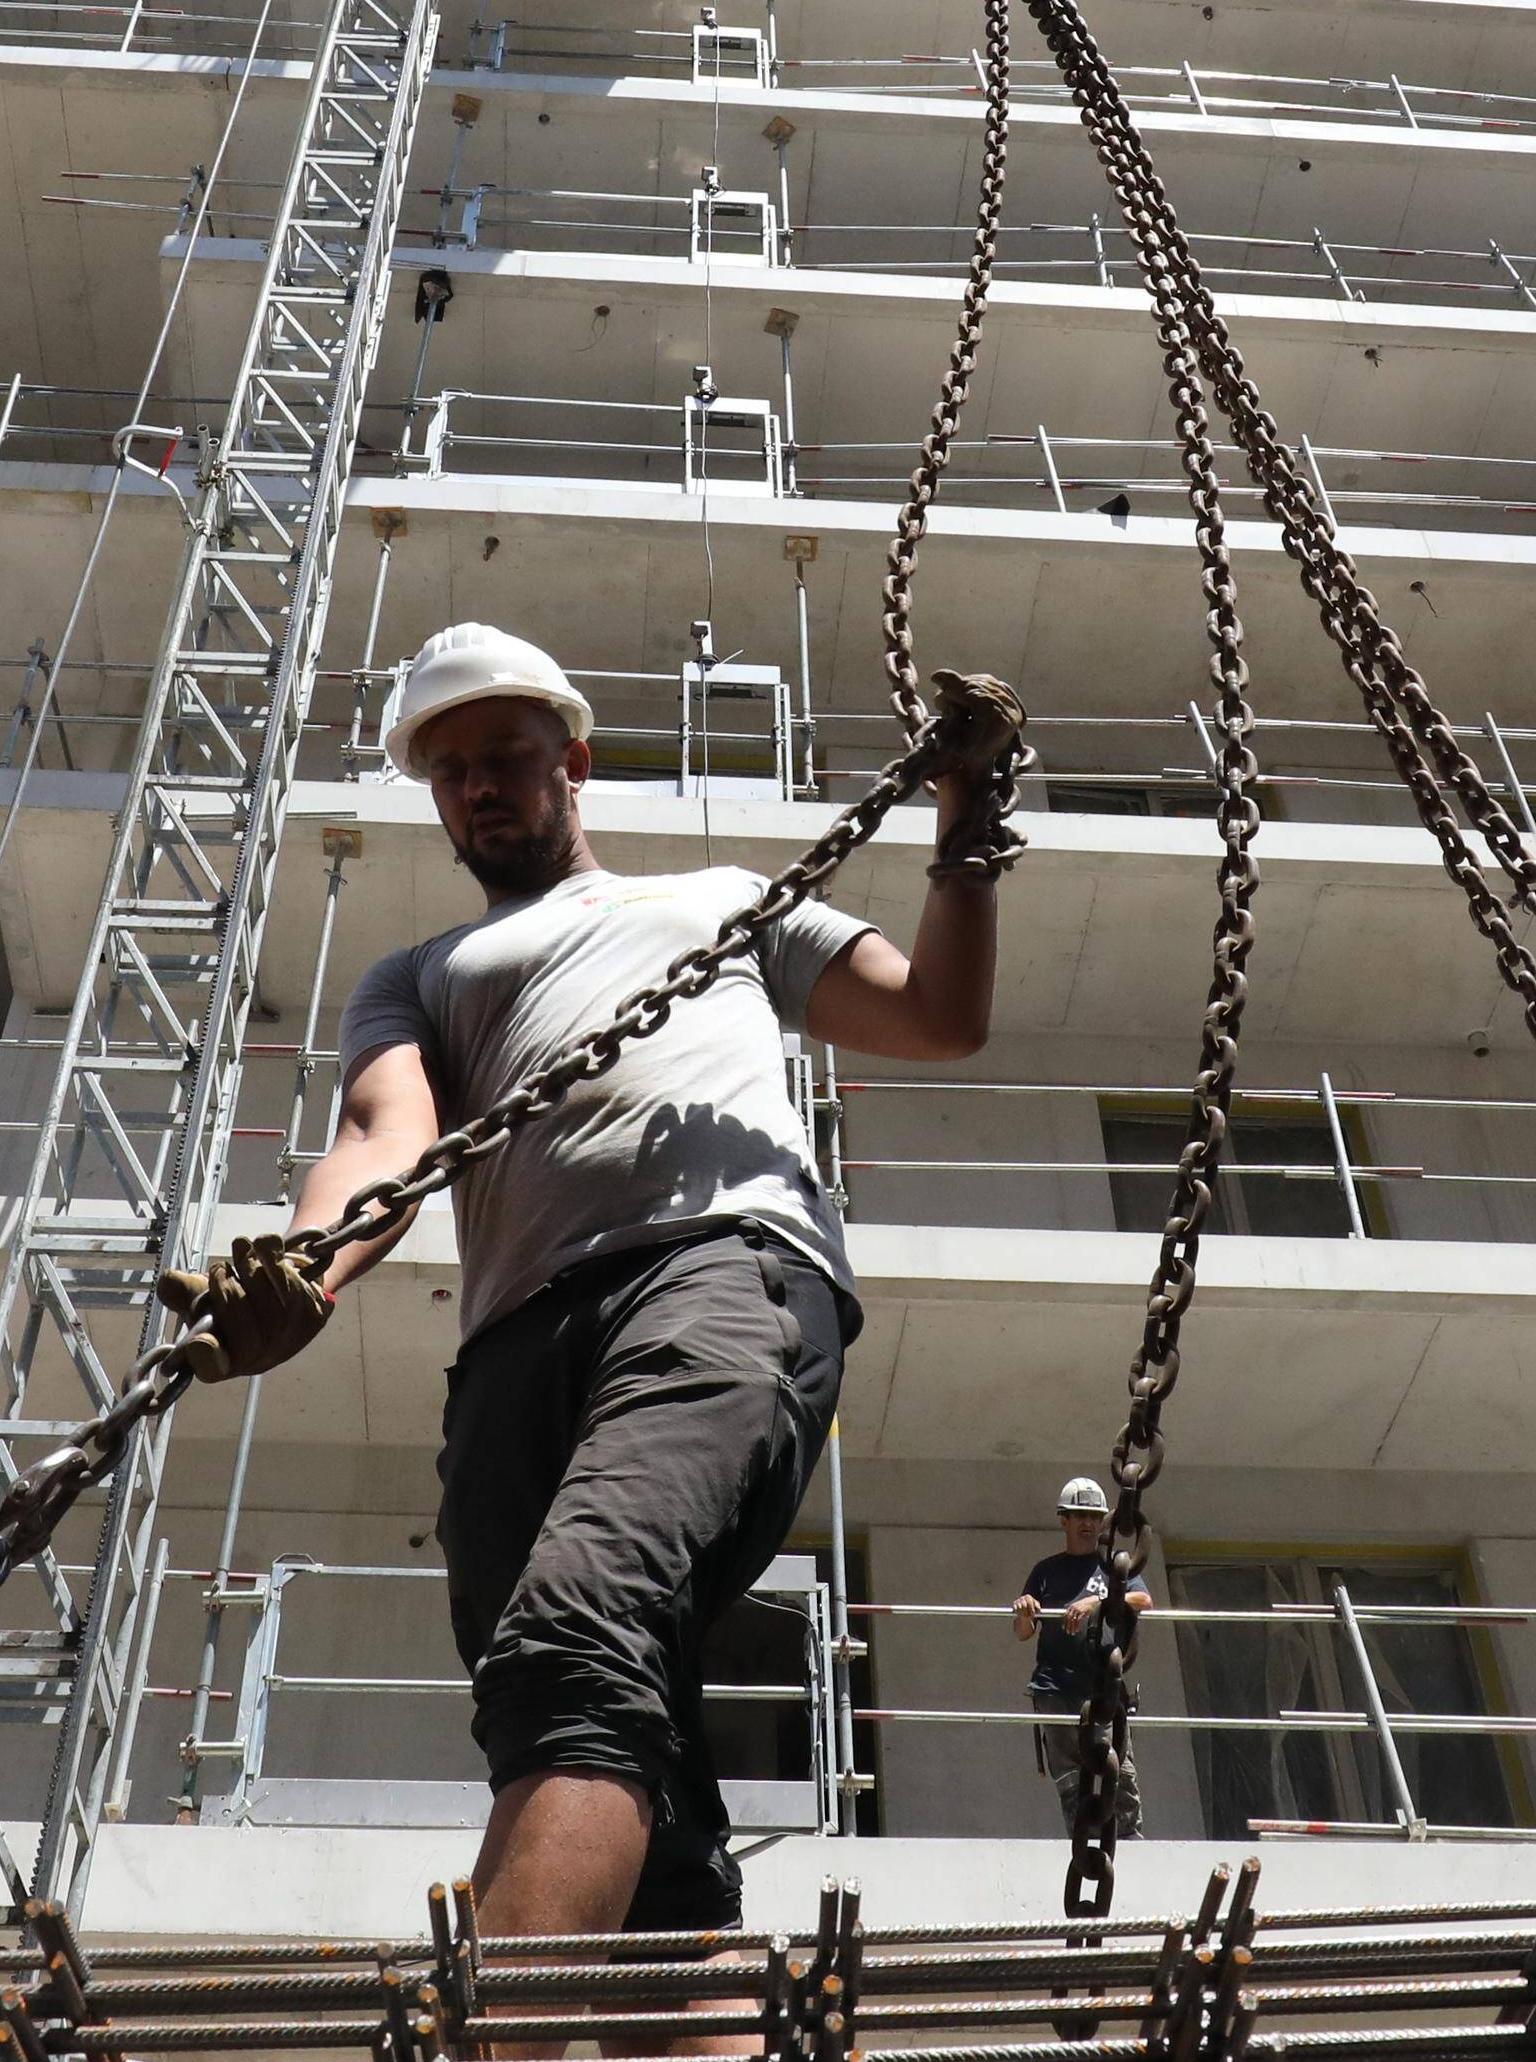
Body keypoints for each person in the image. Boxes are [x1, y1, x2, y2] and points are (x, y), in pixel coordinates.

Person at [154, 621, 1010, 1940]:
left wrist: (964, 831)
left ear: (574, 760)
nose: (481, 784)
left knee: (576, 1635)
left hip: (712, 1276)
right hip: (510, 1357)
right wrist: (299, 1278)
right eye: (452, 771)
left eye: (507, 754)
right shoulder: (418, 975)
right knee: (577, 1728)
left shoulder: (726, 900)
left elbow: (939, 1015)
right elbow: (387, 1138)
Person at [1015, 1474, 1149, 1827]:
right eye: (1080, 1516)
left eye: (1093, 1517)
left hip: (1102, 1690)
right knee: (1071, 1780)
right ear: (1065, 1520)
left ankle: (1131, 1840)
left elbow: (1143, 1599)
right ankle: (1081, 1839)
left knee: (1119, 1772)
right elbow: (1023, 1633)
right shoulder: (1046, 1572)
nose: (1088, 1524)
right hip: (1054, 1689)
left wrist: (1096, 1601)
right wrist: (1026, 1607)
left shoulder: (1112, 1569)